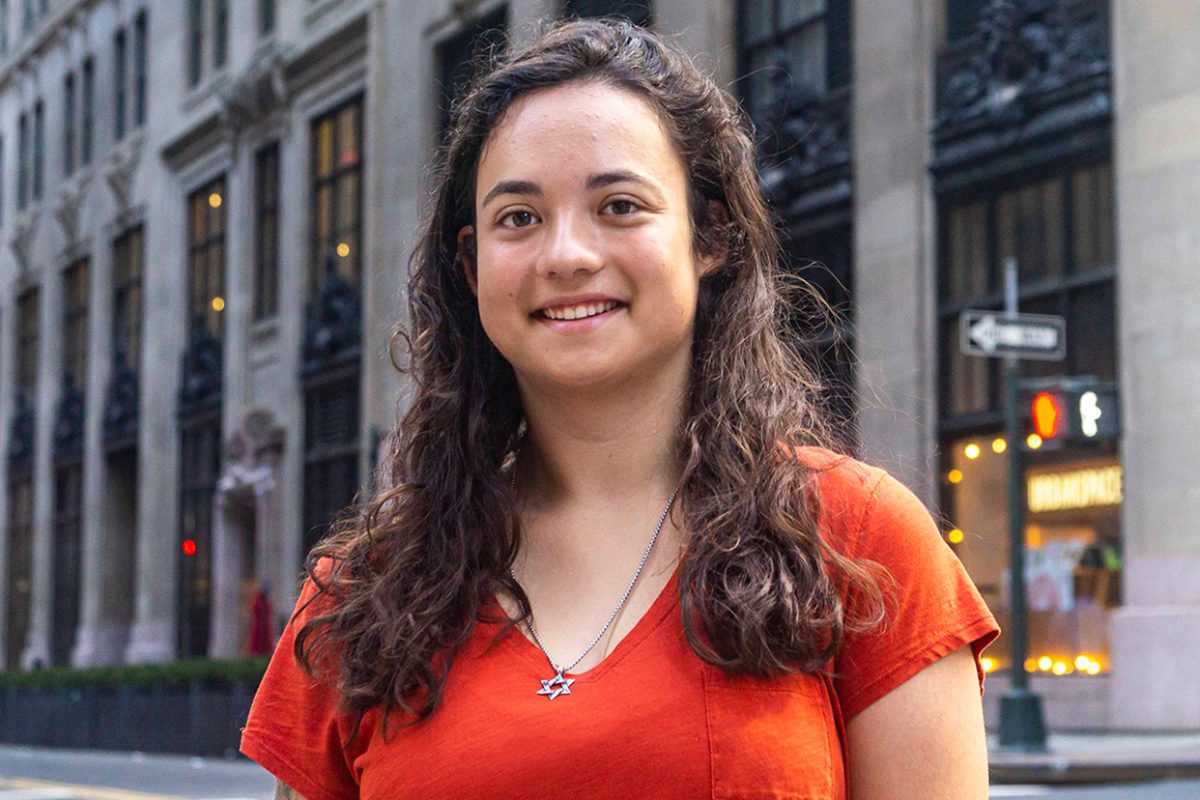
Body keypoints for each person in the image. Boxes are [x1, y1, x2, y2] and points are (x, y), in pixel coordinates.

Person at [240, 18, 1000, 799]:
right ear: (471, 267)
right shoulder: (362, 593)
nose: (567, 254)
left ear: (711, 238)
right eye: (520, 218)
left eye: (620, 206)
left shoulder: (862, 542)